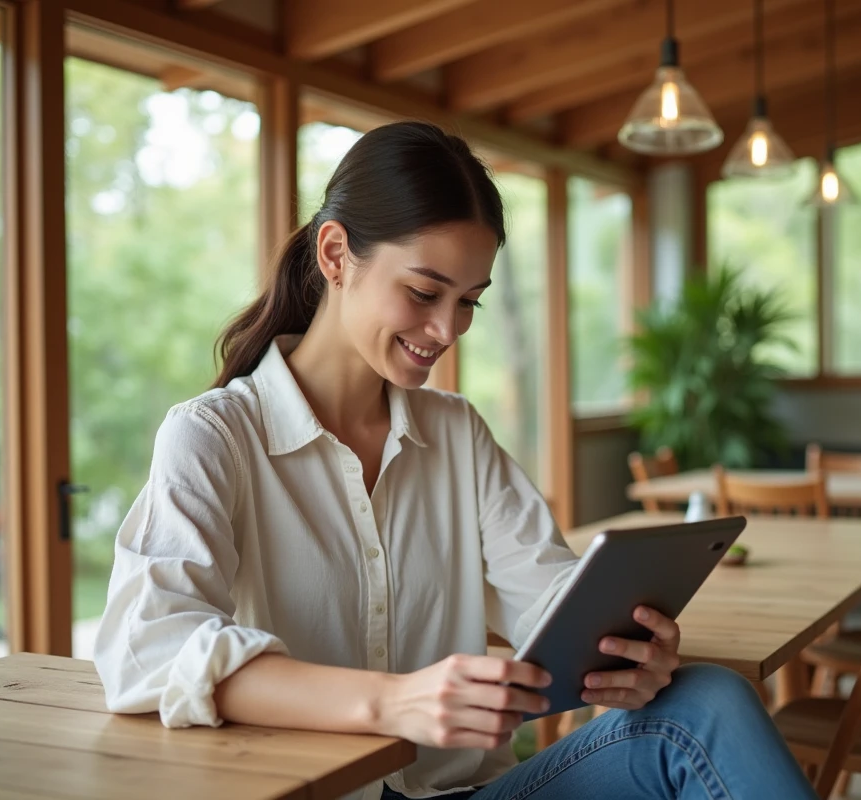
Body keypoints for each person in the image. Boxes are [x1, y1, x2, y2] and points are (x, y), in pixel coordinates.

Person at [93, 121, 816, 800]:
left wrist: (627, 658)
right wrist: (394, 702)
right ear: (336, 254)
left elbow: (551, 603)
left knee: (708, 700)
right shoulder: (214, 437)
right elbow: (148, 650)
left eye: (468, 301)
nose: (446, 330)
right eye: (423, 291)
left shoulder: (457, 434)